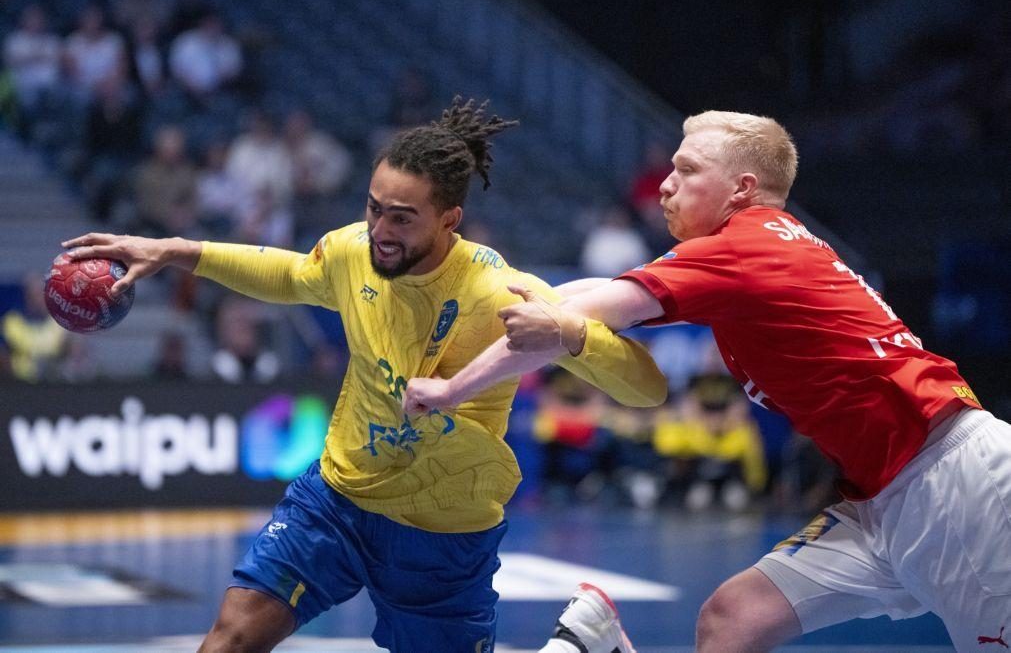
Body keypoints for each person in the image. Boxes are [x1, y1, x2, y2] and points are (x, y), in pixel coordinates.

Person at [61, 97, 667, 653]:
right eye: (374, 209)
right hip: (338, 497)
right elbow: (289, 274)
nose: (380, 231)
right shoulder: (354, 252)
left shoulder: (500, 292)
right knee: (230, 640)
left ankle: (579, 645)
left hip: (440, 529)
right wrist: (172, 251)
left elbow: (648, 388)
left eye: (402, 219)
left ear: (450, 219)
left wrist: (569, 333)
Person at [404, 110, 1006, 652]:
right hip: (883, 499)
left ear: (742, 189)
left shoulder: (746, 243)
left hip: (953, 484)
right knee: (733, 619)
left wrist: (450, 386)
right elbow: (579, 301)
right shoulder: (751, 247)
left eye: (688, 170)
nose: (666, 184)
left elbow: (573, 315)